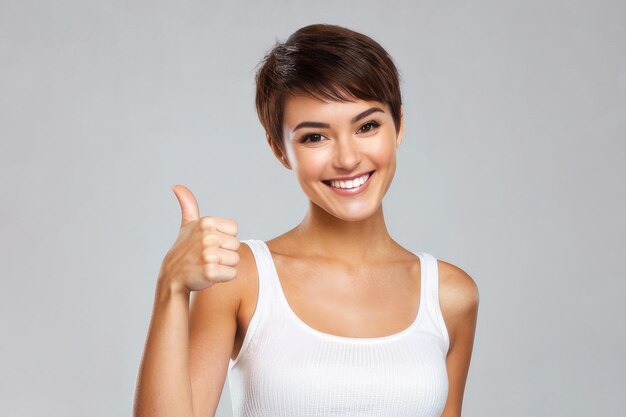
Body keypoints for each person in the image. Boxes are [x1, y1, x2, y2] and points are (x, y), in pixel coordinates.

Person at [133, 23, 479, 417]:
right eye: (315, 137)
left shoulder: (450, 295)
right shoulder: (240, 280)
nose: (348, 159)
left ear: (398, 125)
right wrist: (171, 287)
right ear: (280, 149)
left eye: (367, 126)